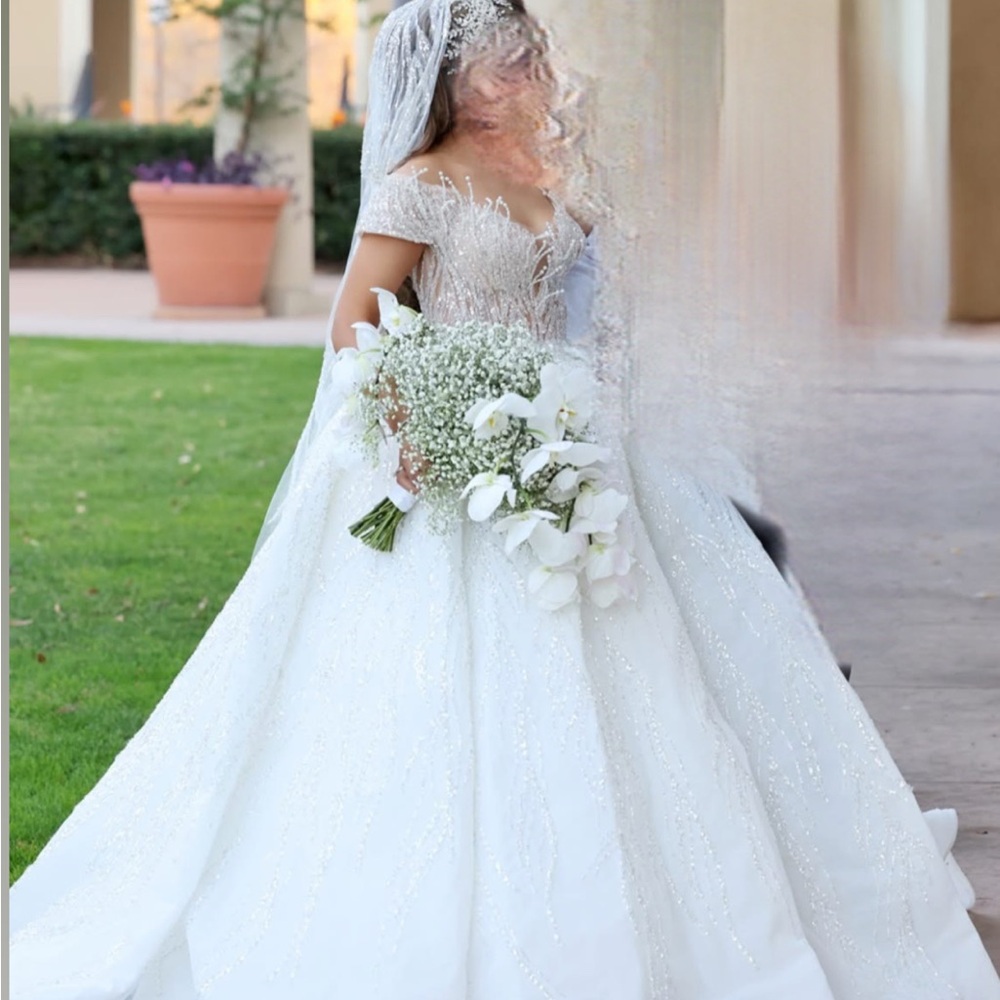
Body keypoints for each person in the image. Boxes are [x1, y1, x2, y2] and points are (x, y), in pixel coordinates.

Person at [10, 2, 999, 997]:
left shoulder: (551, 166)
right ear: (449, 78)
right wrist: (429, 423)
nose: (523, 63)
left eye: (526, 49)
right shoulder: (421, 186)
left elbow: (601, 303)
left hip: (578, 445)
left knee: (654, 658)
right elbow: (357, 325)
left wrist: (598, 385)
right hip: (460, 457)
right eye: (500, 55)